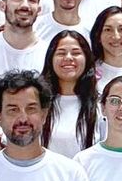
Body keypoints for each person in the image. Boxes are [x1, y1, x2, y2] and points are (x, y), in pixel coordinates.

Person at [39, 31, 101, 159]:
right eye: (61, 53)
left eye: (76, 53)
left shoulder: (101, 105)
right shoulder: (37, 104)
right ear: (50, 59)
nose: (68, 58)